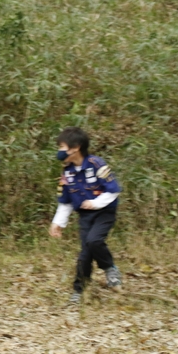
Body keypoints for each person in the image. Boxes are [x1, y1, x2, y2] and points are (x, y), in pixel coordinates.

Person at [49, 127, 122, 304]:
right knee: (85, 255)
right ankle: (79, 290)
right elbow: (65, 201)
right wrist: (58, 223)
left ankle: (110, 268)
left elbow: (113, 191)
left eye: (63, 147)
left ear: (76, 148)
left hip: (104, 213)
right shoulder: (67, 173)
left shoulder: (97, 165)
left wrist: (95, 203)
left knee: (94, 241)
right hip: (85, 216)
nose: (60, 151)